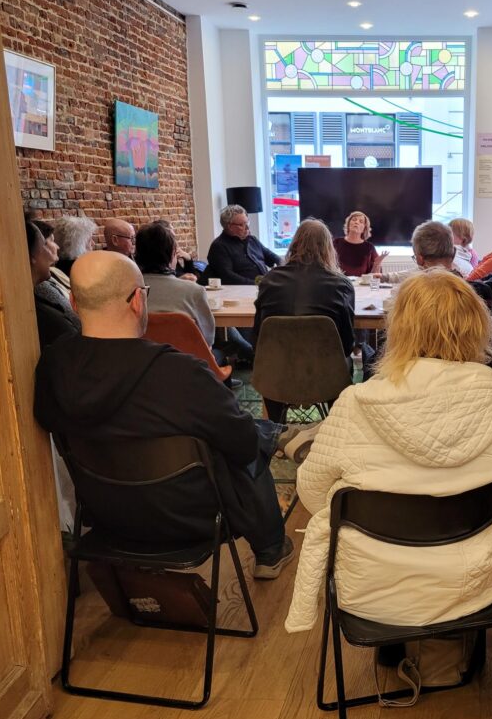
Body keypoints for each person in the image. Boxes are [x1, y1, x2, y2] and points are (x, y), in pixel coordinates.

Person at [285, 268, 492, 633]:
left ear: (398, 329)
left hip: (370, 591)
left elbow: (313, 493)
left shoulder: (357, 405)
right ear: (479, 331)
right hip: (471, 590)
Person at [33, 251, 294, 578]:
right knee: (247, 442)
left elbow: (50, 422)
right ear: (137, 302)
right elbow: (240, 446)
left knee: (240, 433)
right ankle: (270, 548)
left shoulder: (51, 366)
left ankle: (274, 434)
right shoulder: (181, 374)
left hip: (106, 518)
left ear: (72, 301)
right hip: (191, 520)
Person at [251, 218, 355, 420]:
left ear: (294, 244)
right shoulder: (341, 285)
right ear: (328, 248)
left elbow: (257, 339)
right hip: (326, 376)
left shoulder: (269, 280)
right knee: (344, 363)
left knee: (270, 361)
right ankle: (335, 426)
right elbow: (347, 344)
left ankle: (274, 431)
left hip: (276, 375)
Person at [135, 222, 215, 345]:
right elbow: (208, 340)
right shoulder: (194, 291)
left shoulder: (128, 292)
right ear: (172, 254)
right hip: (186, 361)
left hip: (141, 361)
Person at [27, 220, 81, 347]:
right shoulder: (36, 299)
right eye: (45, 243)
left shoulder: (45, 281)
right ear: (31, 255)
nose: (56, 247)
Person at [206, 204, 281, 285]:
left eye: (247, 222)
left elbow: (273, 257)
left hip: (263, 287)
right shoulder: (219, 246)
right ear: (229, 226)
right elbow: (228, 277)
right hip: (241, 291)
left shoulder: (252, 240)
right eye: (242, 225)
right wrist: (256, 284)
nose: (247, 228)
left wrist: (283, 265)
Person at [333, 211, 387, 277]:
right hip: (339, 284)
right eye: (354, 220)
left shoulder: (369, 248)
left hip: (361, 286)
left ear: (364, 229)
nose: (356, 222)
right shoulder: (336, 243)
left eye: (361, 221)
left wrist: (377, 264)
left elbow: (375, 277)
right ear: (348, 224)